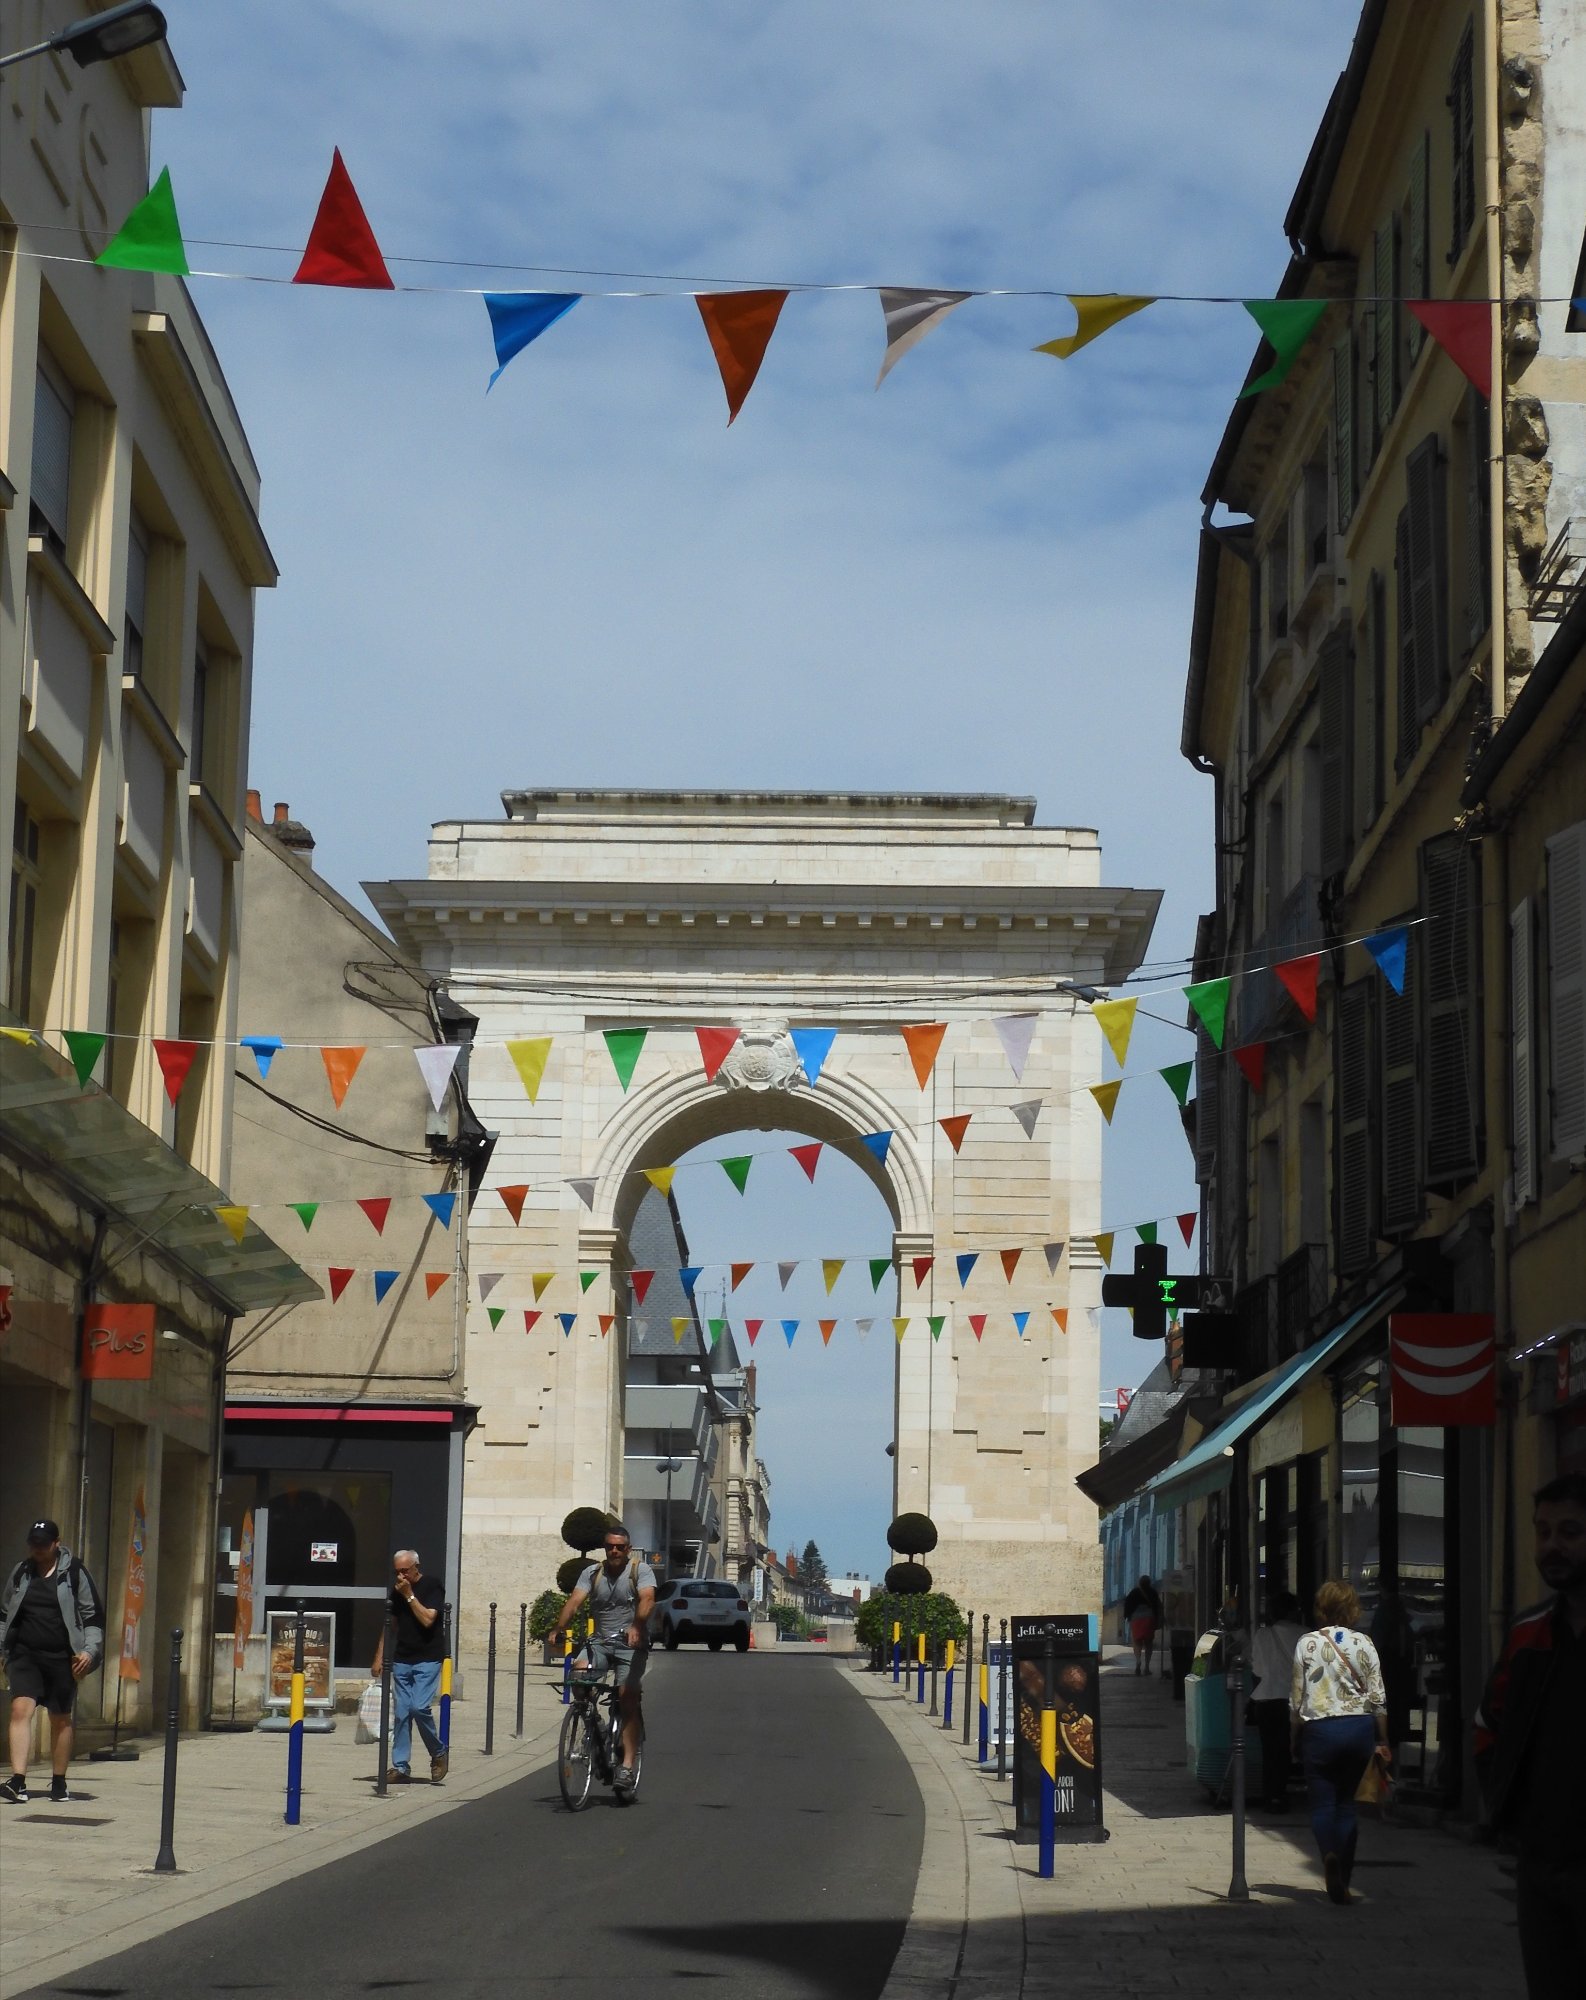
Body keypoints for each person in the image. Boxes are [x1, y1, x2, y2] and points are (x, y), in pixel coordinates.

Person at [1473, 1471, 1586, 1998]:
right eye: (1543, 1532)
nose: (1552, 1546)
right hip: (1542, 1863)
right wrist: (1506, 1810)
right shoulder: (1528, 1634)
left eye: (1570, 1532)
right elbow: (1488, 1725)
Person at [1289, 1579, 1390, 1904]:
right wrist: (1383, 1739)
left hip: (1319, 1731)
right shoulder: (1365, 1643)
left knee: (1322, 1804)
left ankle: (1328, 1855)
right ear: (1353, 1609)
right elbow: (1378, 1699)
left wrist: (1294, 1737)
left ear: (1321, 1608)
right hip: (1358, 1730)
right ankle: (1343, 1882)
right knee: (1347, 1805)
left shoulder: (1306, 1643)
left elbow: (1297, 1699)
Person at [0, 1519, 104, 1804]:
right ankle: (18, 1781)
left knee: (60, 1719)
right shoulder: (21, 1572)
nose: (38, 1549)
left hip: (62, 1657)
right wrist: (2, 1649)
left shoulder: (75, 1572)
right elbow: (4, 1614)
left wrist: (89, 1652)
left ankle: (59, 1781)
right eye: (34, 1544)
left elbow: (93, 1617)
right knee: (20, 1710)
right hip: (24, 1655)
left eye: (44, 1544)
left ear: (57, 1543)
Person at [550, 1524, 655, 1794]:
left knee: (627, 1696)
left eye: (620, 1547)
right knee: (578, 1675)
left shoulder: (640, 1570)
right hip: (600, 1642)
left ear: (628, 1549)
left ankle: (627, 1766)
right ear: (605, 1548)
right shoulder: (592, 1573)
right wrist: (559, 1628)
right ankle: (593, 1721)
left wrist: (637, 1625)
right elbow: (574, 1601)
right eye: (610, 1546)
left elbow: (647, 1599)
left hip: (631, 1644)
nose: (614, 1551)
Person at [369, 1549, 448, 1784]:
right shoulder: (397, 1591)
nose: (401, 1576)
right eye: (397, 1572)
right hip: (403, 1658)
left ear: (416, 1567)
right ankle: (400, 1766)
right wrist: (379, 1657)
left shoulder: (432, 1585)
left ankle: (438, 1752)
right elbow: (389, 1625)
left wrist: (410, 1596)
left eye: (405, 1571)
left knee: (419, 1707)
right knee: (402, 1714)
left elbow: (428, 1619)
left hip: (428, 1657)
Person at [1248, 1591, 1304, 1809]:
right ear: (1292, 1611)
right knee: (1287, 1747)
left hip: (1265, 1699)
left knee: (1269, 1749)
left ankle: (1271, 1793)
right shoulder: (1305, 1635)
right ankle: (1280, 1792)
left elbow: (1256, 1669)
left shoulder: (1262, 1635)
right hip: (1293, 1699)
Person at [1122, 1574, 1162, 1675]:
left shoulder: (1134, 1592)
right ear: (1149, 1583)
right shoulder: (1153, 1592)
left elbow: (1127, 1604)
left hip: (1136, 1619)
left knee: (1137, 1642)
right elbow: (1158, 1606)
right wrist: (1158, 1619)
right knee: (1149, 1643)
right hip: (1149, 1619)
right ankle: (1147, 1667)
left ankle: (1138, 1661)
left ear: (1139, 1583)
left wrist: (1127, 1616)